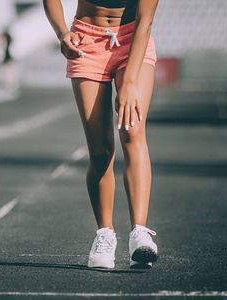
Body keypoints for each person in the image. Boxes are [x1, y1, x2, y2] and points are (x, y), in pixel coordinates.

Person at [43, 0, 159, 269]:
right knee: (100, 149)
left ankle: (139, 232)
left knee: (132, 132)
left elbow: (145, 21)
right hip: (86, 42)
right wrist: (62, 32)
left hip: (133, 40)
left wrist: (129, 82)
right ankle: (105, 234)